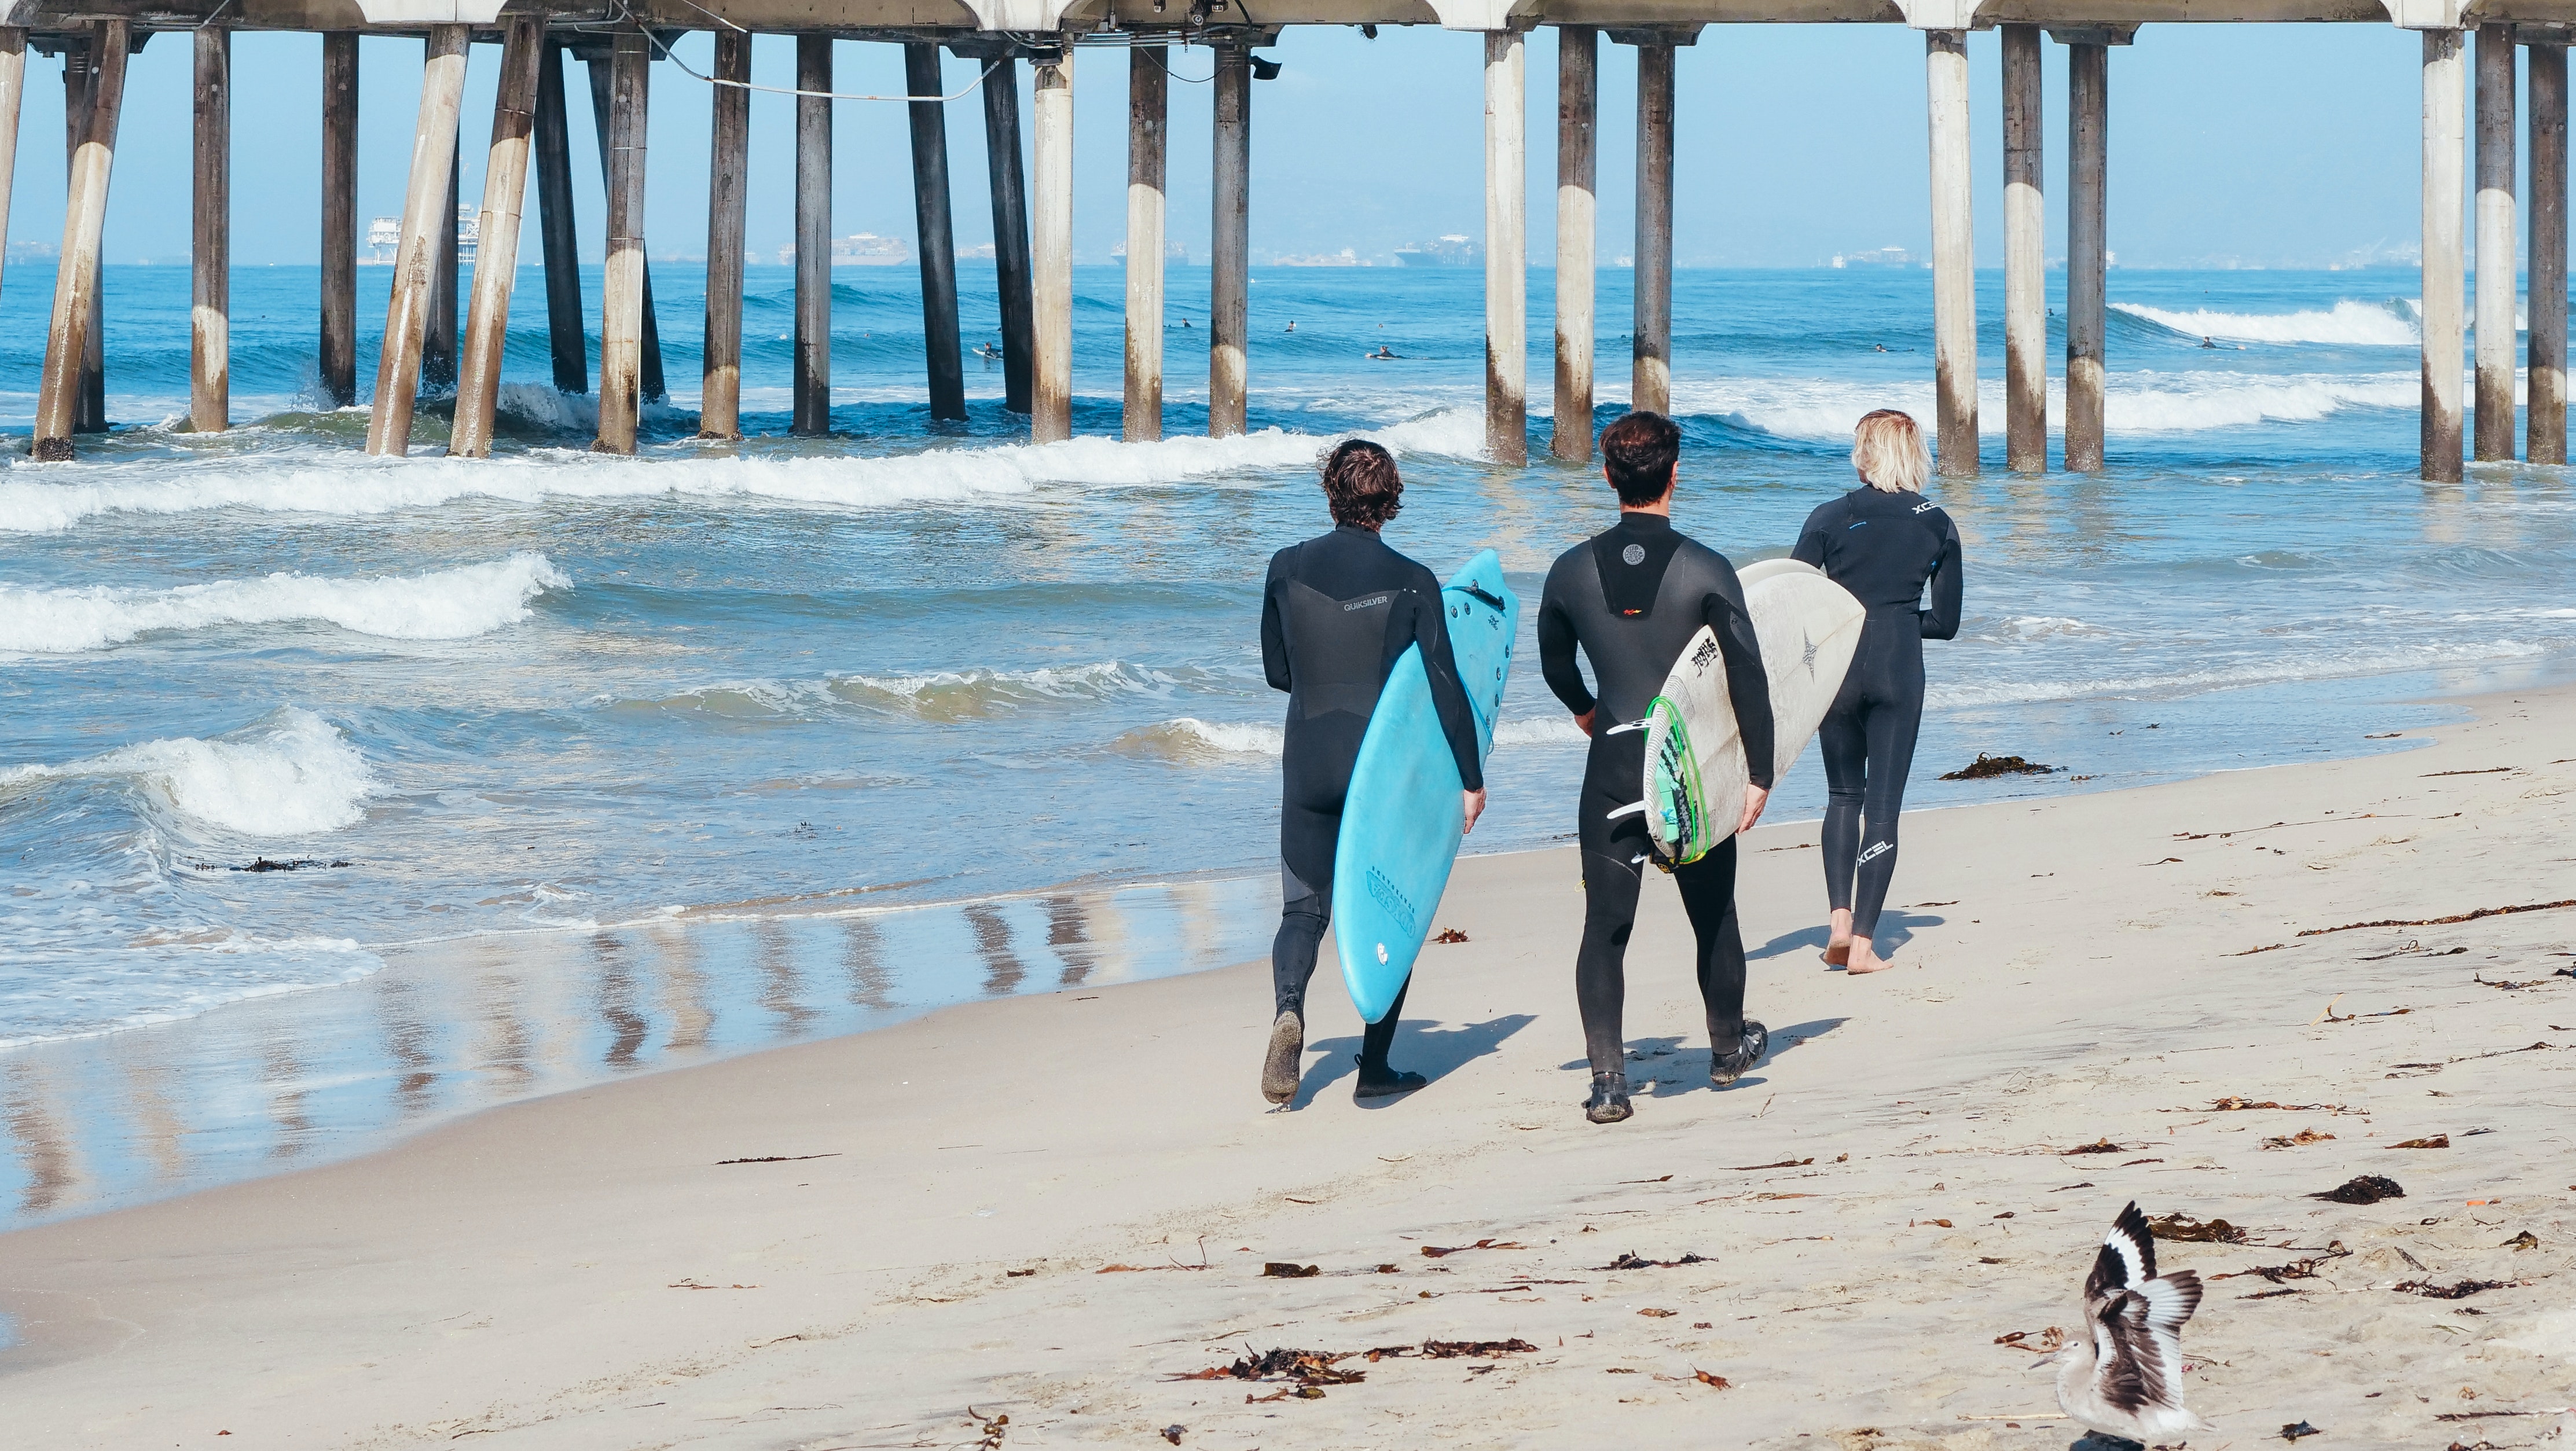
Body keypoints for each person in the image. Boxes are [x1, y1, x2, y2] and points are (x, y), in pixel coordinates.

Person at [1537, 410, 1774, 1126]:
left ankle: (1609, 1082)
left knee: (1604, 927)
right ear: (1675, 474)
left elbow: (1553, 661)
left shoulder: (1569, 569)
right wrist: (1758, 773)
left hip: (1611, 766)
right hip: (1689, 775)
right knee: (1713, 916)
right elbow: (1749, 678)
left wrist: (1586, 710)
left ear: (1607, 476)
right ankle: (1728, 1049)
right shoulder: (1706, 568)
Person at [1259, 440, 1488, 1105]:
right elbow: (1445, 690)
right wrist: (1470, 780)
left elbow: (1279, 672)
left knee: (1303, 909)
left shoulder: (1283, 566)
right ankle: (1375, 1068)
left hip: (1306, 758)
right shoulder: (1416, 580)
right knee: (1394, 907)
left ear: (1329, 489)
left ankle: (1289, 1009)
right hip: (1376, 771)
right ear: (1390, 499)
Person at [1792, 409, 1963, 976]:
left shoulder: (1827, 517)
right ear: (1915, 456)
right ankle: (1864, 945)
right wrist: (1895, 620)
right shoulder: (1936, 523)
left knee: (1843, 796)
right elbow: (1945, 621)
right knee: (1882, 811)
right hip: (1898, 668)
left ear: (1862, 454)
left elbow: (1791, 602)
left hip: (1835, 672)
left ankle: (1838, 925)